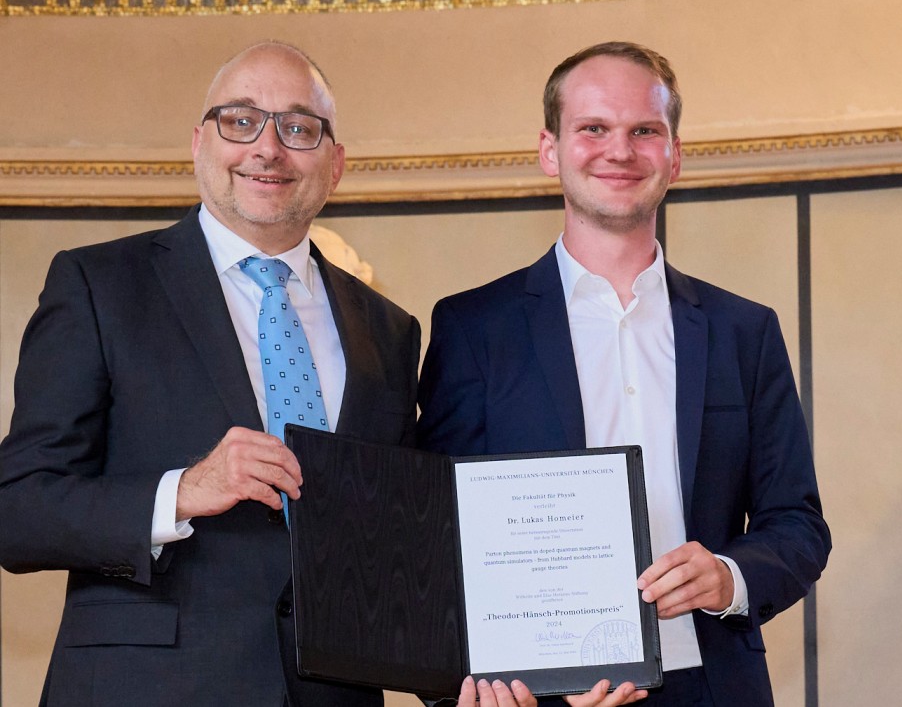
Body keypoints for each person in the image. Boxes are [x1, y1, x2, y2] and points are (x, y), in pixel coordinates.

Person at [0, 42, 422, 706]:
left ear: (335, 163)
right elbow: (18, 509)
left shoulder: (390, 330)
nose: (268, 148)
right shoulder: (99, 285)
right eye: (240, 120)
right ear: (198, 144)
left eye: (299, 127)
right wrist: (182, 489)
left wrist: (460, 677)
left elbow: (403, 534)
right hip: (145, 688)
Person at [418, 41, 831, 706]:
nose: (620, 150)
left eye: (645, 130)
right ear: (550, 150)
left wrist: (729, 575)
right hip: (535, 694)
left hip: (713, 686)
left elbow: (799, 524)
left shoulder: (743, 332)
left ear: (674, 155)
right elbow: (433, 532)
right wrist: (459, 688)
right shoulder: (474, 329)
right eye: (593, 129)